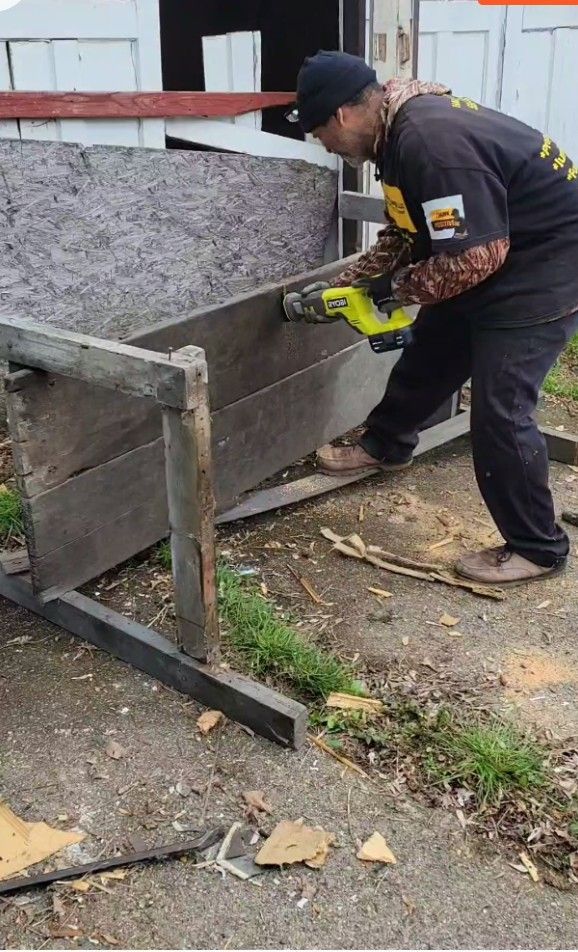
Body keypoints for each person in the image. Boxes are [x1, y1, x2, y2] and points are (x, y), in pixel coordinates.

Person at [286, 50, 578, 585]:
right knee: (433, 351)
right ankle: (385, 446)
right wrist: (349, 285)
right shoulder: (395, 139)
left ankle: (538, 547)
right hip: (499, 248)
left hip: (547, 264)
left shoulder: (429, 143)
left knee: (501, 408)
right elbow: (406, 231)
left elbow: (473, 259)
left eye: (318, 132)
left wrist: (393, 289)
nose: (322, 144)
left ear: (343, 116)